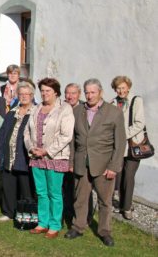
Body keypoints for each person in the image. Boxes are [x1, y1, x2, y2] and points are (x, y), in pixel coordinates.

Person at [64, 78, 126, 247]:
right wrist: (71, 162)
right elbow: (72, 141)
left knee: (105, 202)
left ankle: (104, 232)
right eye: (87, 92)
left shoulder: (114, 112)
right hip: (80, 163)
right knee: (80, 199)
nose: (90, 96)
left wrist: (114, 166)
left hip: (104, 165)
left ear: (100, 92)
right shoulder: (77, 111)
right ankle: (78, 227)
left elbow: (120, 143)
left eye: (93, 92)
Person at [24, 78, 74, 239]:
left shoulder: (64, 109)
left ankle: (54, 225)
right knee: (41, 192)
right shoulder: (37, 108)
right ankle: (43, 223)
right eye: (43, 90)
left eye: (48, 91)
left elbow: (66, 135)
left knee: (54, 193)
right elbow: (27, 132)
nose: (45, 93)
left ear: (56, 92)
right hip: (36, 157)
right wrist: (31, 148)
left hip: (55, 157)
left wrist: (46, 151)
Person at [0, 81, 35, 222]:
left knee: (26, 187)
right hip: (8, 155)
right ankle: (9, 212)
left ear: (32, 95)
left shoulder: (35, 113)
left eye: (27, 94)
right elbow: (3, 134)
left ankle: (28, 214)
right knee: (8, 185)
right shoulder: (12, 112)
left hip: (24, 156)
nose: (24, 97)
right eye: (21, 94)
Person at [111, 76, 145, 220]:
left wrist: (123, 134)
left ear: (128, 88)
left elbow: (139, 123)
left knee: (128, 176)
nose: (121, 90)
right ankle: (121, 204)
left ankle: (127, 207)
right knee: (119, 177)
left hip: (132, 145)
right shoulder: (112, 103)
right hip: (118, 147)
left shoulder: (136, 100)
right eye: (118, 88)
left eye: (123, 87)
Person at [63, 83, 94, 226]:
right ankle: (69, 212)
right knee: (67, 186)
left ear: (79, 94)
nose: (70, 96)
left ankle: (86, 216)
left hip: (80, 154)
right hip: (64, 153)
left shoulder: (84, 109)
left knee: (82, 188)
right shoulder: (63, 108)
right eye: (67, 93)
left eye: (73, 93)